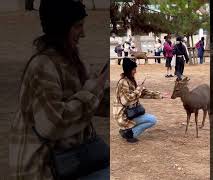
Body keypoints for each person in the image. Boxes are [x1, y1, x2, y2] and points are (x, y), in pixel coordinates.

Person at [9, 0, 109, 179]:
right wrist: (95, 90)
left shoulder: (70, 61)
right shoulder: (42, 66)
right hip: (44, 169)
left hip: (71, 160)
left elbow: (89, 104)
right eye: (78, 27)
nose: (83, 34)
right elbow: (53, 124)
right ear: (61, 28)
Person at [113, 58, 162, 143]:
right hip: (124, 116)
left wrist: (158, 95)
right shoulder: (123, 82)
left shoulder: (130, 80)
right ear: (128, 70)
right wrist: (138, 89)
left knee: (151, 119)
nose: (135, 71)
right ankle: (129, 133)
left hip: (130, 113)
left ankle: (126, 130)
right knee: (152, 120)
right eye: (133, 69)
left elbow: (142, 93)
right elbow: (127, 100)